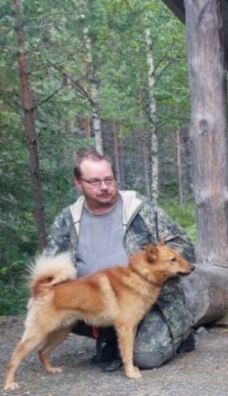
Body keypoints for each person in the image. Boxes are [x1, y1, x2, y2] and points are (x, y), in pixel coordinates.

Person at [42, 149, 197, 371]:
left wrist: (156, 265)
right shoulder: (67, 220)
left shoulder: (140, 210)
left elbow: (185, 246)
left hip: (153, 303)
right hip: (97, 300)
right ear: (78, 183)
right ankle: (110, 336)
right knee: (60, 303)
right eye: (94, 182)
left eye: (108, 179)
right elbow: (49, 266)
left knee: (146, 358)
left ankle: (179, 335)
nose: (104, 187)